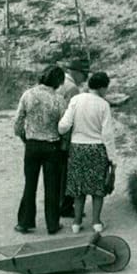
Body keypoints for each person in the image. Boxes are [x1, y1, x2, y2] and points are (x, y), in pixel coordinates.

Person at [11, 65, 66, 235]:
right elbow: (64, 126)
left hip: (32, 144)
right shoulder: (58, 99)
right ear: (58, 82)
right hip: (52, 145)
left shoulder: (28, 95)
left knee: (30, 184)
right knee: (52, 187)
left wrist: (25, 139)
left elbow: (18, 122)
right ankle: (52, 224)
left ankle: (25, 222)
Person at [59, 70, 115, 235]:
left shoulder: (76, 100)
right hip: (97, 147)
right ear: (103, 88)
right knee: (97, 188)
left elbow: (64, 125)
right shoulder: (103, 105)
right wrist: (113, 158)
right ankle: (96, 222)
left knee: (79, 186)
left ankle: (76, 223)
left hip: (77, 147)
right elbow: (108, 134)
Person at [56, 62, 87, 219]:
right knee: (67, 172)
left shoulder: (60, 83)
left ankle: (59, 204)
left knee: (59, 172)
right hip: (65, 135)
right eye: (84, 73)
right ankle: (65, 206)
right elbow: (70, 114)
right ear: (77, 72)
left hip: (53, 133)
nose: (85, 77)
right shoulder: (72, 89)